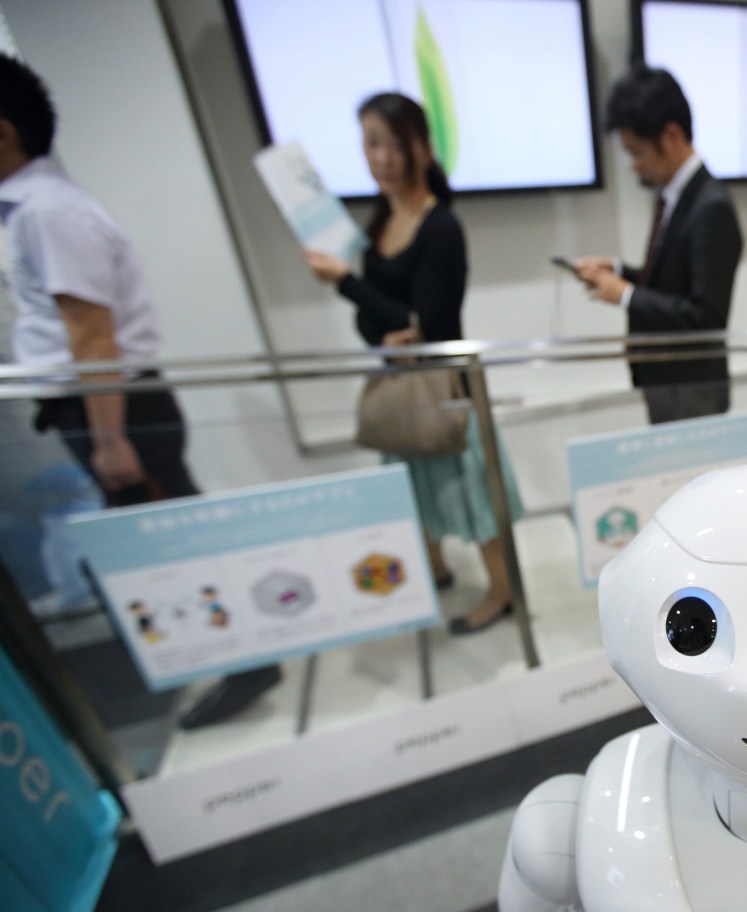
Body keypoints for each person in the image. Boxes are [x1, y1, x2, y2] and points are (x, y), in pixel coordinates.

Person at [0, 54, 280, 728]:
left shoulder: (47, 213)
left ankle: (248, 661)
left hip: (117, 410)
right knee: (158, 549)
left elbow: (92, 336)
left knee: (172, 545)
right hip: (107, 408)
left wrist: (110, 437)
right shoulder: (36, 208)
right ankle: (223, 657)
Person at [303, 93, 522, 636]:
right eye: (371, 143)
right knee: (416, 488)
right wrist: (379, 322)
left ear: (422, 148)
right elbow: (376, 323)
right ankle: (440, 568)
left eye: (392, 144)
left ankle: (503, 592)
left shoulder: (440, 226)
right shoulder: (378, 222)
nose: (381, 157)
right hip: (399, 386)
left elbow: (426, 321)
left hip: (445, 389)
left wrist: (349, 285)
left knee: (472, 496)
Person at [573, 67, 743, 425]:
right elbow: (672, 281)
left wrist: (625, 294)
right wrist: (619, 272)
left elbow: (705, 316)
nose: (634, 167)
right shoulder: (675, 196)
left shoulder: (711, 206)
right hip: (667, 381)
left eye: (637, 153)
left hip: (692, 387)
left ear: (672, 136)